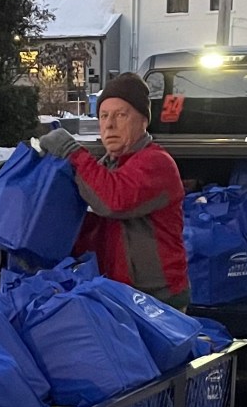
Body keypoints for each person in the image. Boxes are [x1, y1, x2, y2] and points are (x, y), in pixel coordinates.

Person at [39, 72, 190, 308]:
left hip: (157, 301)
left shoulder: (156, 163)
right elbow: (96, 224)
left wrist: (71, 152)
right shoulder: (108, 167)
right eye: (103, 115)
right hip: (119, 294)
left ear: (143, 121)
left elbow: (112, 201)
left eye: (121, 115)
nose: (109, 124)